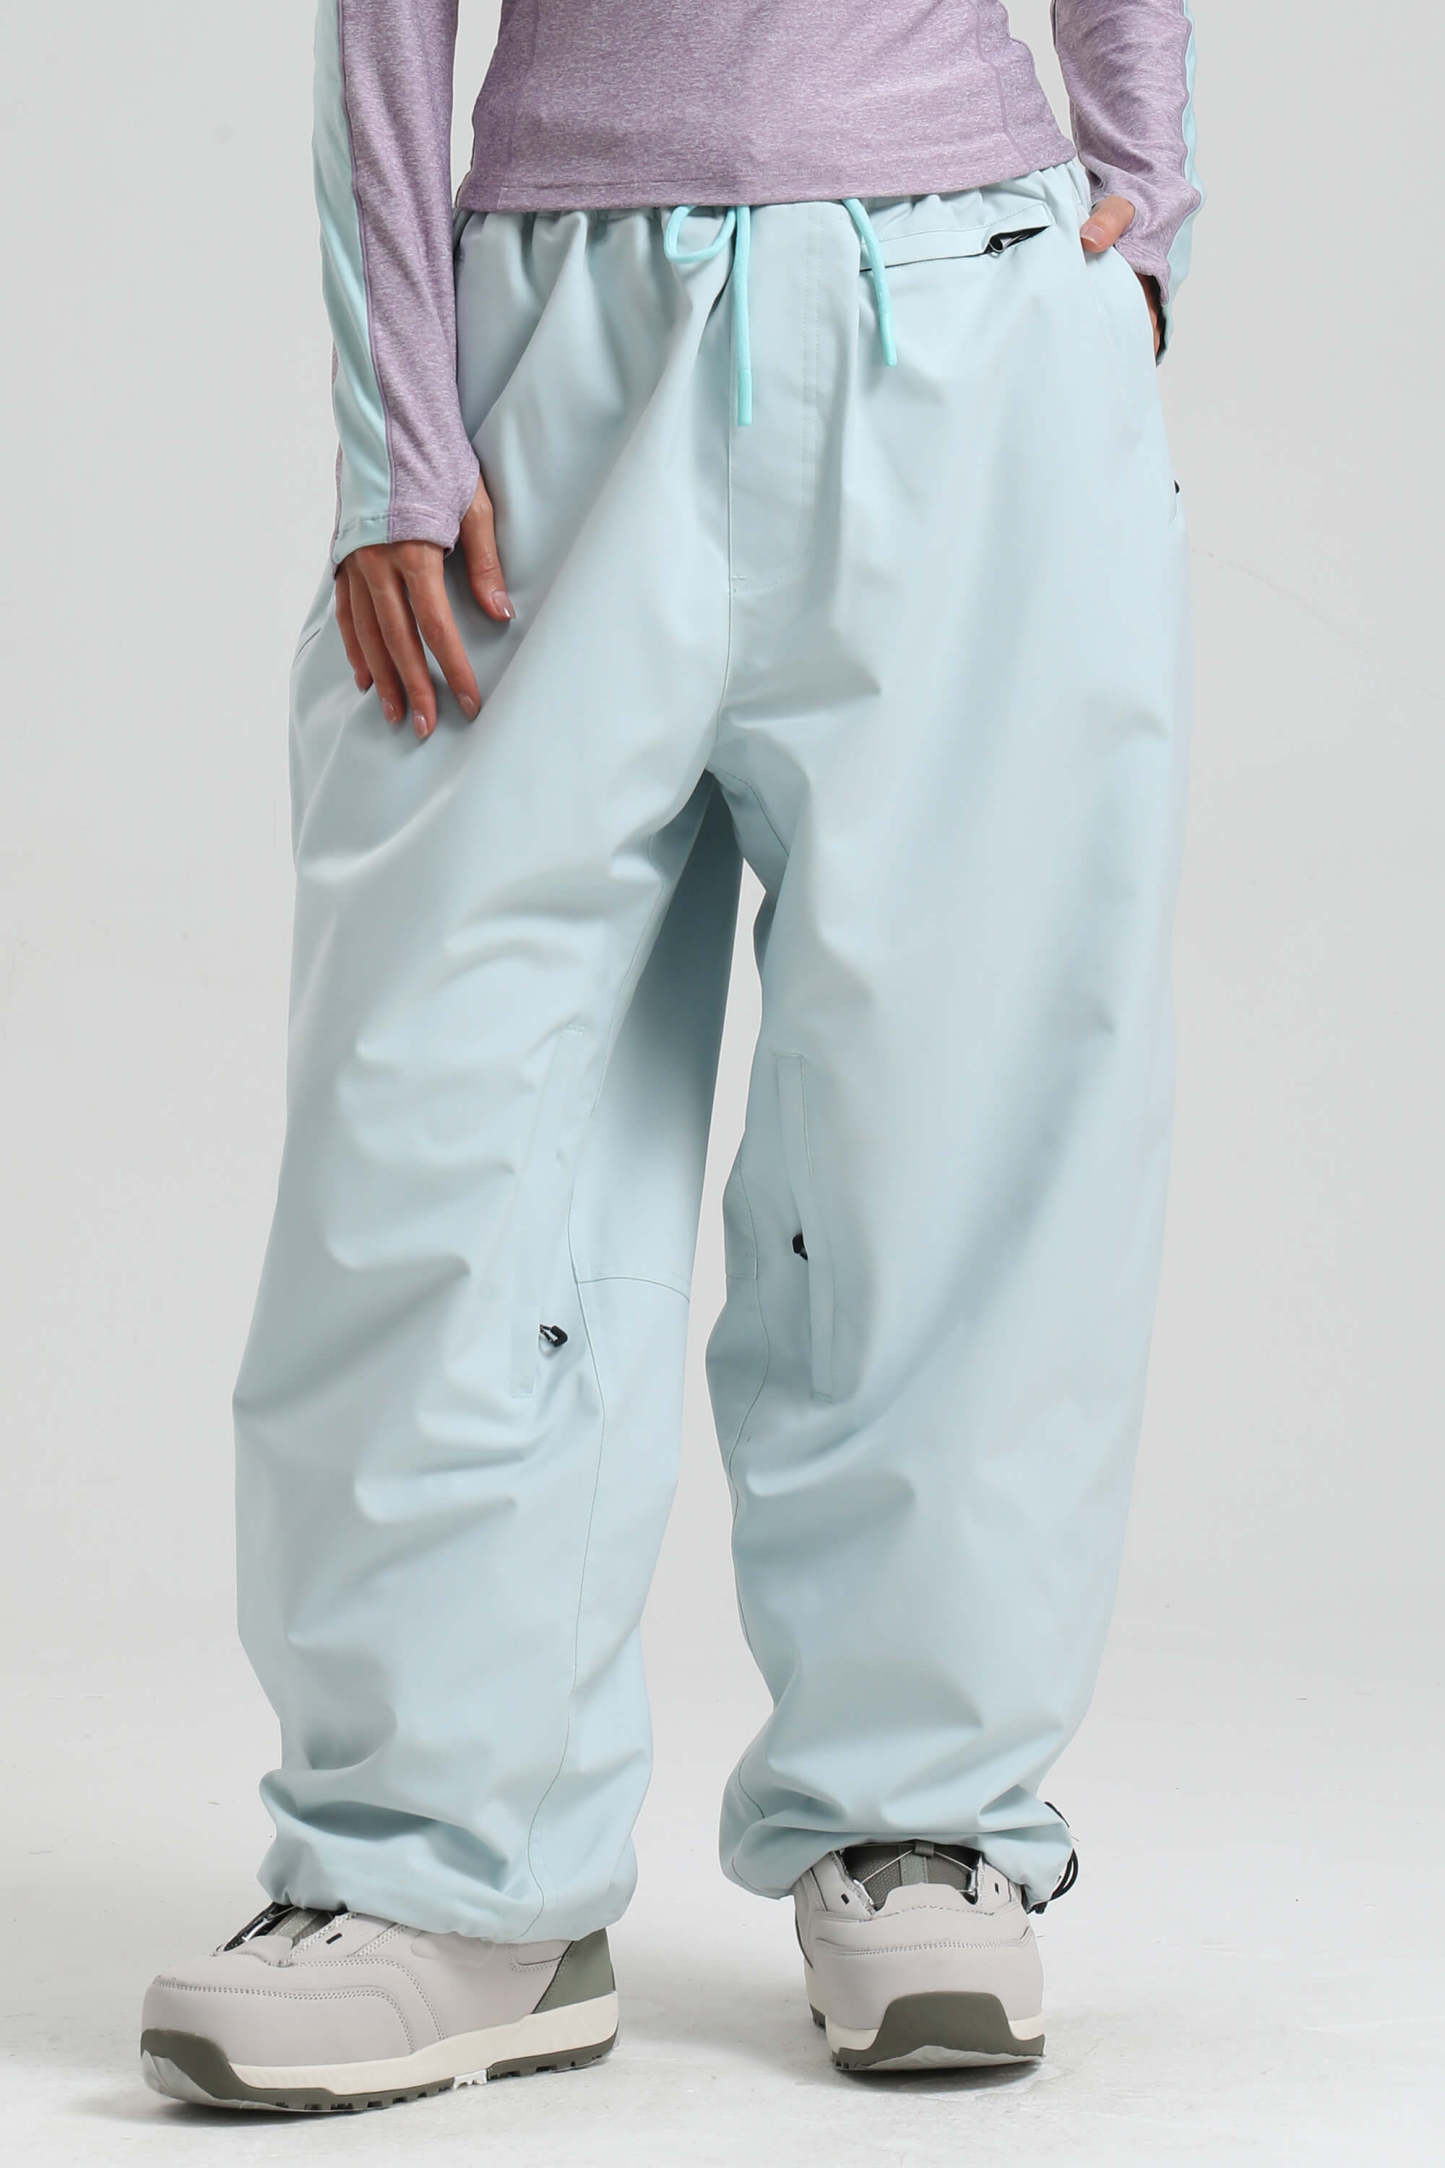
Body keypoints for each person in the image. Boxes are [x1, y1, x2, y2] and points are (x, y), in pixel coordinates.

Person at [140, 0, 1201, 2108]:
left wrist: (1142, 192)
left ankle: (925, 1817)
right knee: (441, 1115)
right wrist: (399, 427)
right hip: (554, 336)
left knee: (958, 1111)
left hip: (971, 311)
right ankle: (443, 1868)